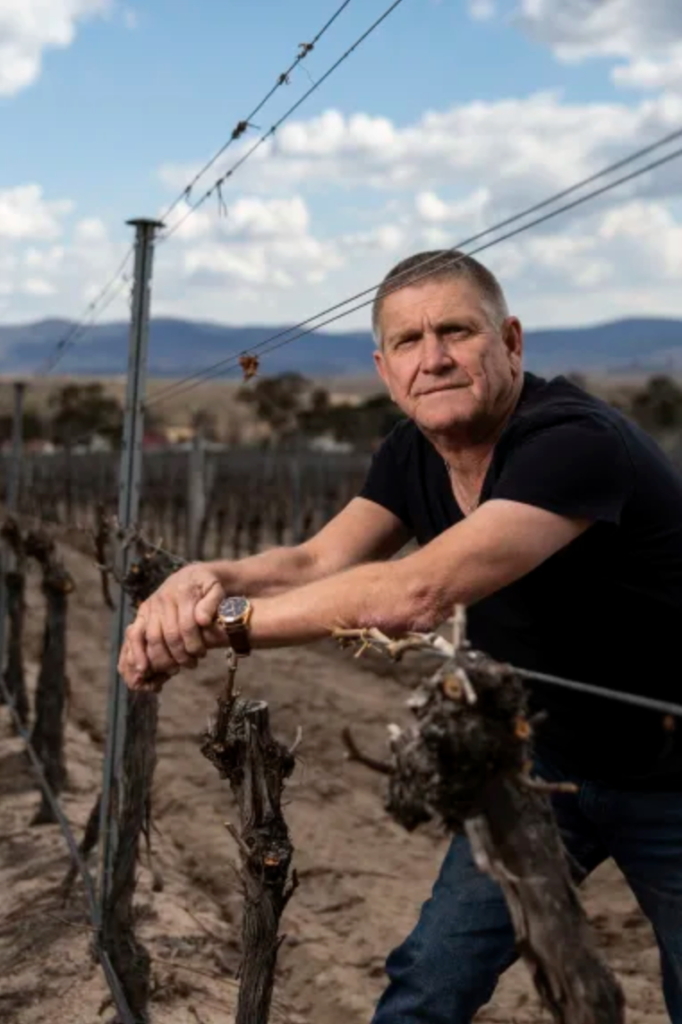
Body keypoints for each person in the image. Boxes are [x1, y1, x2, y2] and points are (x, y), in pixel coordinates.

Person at [118, 250, 682, 1023]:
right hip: (542, 762)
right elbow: (314, 561)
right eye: (410, 342)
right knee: (429, 981)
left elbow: (416, 592)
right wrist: (201, 578)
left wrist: (218, 629)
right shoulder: (413, 450)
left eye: (456, 331)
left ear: (511, 341)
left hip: (672, 769)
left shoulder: (573, 442)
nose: (435, 358)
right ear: (385, 369)